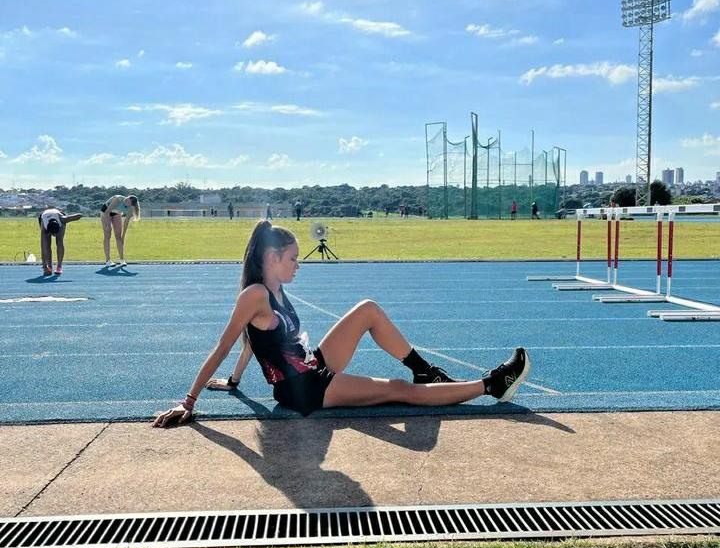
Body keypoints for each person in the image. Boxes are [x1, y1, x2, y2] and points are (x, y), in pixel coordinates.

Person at [153, 220, 530, 427]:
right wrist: (189, 402)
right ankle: (492, 385)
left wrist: (234, 382)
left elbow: (255, 342)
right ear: (272, 258)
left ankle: (426, 371)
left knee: (367, 309)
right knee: (398, 390)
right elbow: (225, 344)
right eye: (292, 259)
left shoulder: (275, 290)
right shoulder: (254, 295)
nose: (298, 265)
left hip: (311, 366)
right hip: (302, 389)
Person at [38, 208, 83, 275]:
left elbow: (77, 216)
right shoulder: (44, 227)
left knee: (59, 242)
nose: (54, 235)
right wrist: (45, 267)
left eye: (55, 234)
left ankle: (59, 266)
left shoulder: (63, 219)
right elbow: (43, 248)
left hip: (58, 216)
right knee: (46, 244)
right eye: (53, 234)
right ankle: (49, 266)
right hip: (44, 216)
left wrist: (81, 215)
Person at [100, 194, 140, 268]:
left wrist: (123, 236)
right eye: (127, 199)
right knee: (107, 234)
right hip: (106, 211)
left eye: (128, 202)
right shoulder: (118, 199)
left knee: (118, 236)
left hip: (116, 213)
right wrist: (108, 225)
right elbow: (107, 212)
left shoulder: (131, 209)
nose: (126, 200)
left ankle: (122, 260)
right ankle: (108, 260)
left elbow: (126, 222)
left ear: (131, 205)